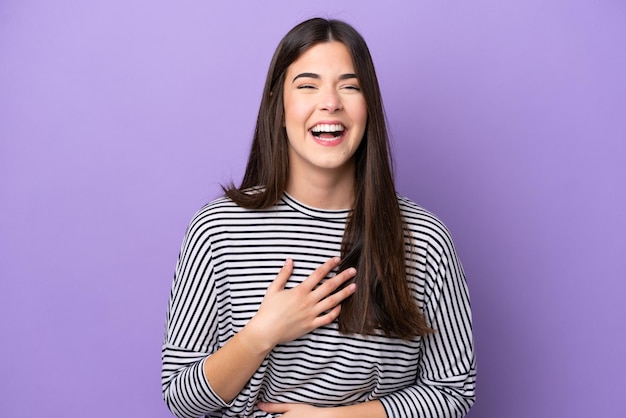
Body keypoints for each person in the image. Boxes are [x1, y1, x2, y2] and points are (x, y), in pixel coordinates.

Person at [162, 17, 476, 418]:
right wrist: (262, 332)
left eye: (349, 85)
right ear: (279, 105)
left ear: (369, 106)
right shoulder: (218, 229)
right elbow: (181, 398)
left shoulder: (423, 238)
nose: (330, 102)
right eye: (308, 85)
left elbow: (452, 392)